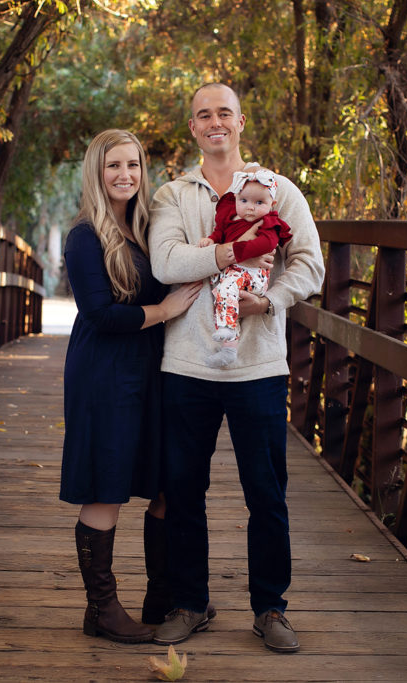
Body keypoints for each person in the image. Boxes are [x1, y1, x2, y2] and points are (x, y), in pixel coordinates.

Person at [148, 84, 326, 653]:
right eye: (204, 115)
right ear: (194, 127)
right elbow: (166, 262)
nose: (214, 122)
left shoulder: (278, 190)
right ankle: (189, 603)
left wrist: (269, 301)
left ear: (241, 121)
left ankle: (270, 609)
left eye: (224, 112)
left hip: (258, 366)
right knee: (182, 488)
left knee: (266, 493)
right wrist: (230, 253)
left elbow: (309, 265)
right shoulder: (174, 195)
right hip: (188, 364)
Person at [59, 129, 202, 644]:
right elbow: (98, 314)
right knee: (107, 485)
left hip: (152, 370)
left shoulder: (147, 229)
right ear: (97, 173)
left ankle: (160, 600)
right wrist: (163, 311)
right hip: (105, 373)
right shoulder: (84, 237)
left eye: (134, 165)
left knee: (163, 483)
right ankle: (101, 609)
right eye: (113, 166)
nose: (125, 175)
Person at [197, 166, 293, 367]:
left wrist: (237, 251)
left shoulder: (269, 222)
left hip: (254, 276)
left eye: (259, 202)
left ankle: (227, 330)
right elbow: (219, 235)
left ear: (271, 204)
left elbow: (267, 244)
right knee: (223, 295)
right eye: (244, 201)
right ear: (236, 198)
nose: (250, 207)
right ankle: (229, 349)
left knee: (225, 289)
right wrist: (210, 240)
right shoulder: (231, 218)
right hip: (236, 273)